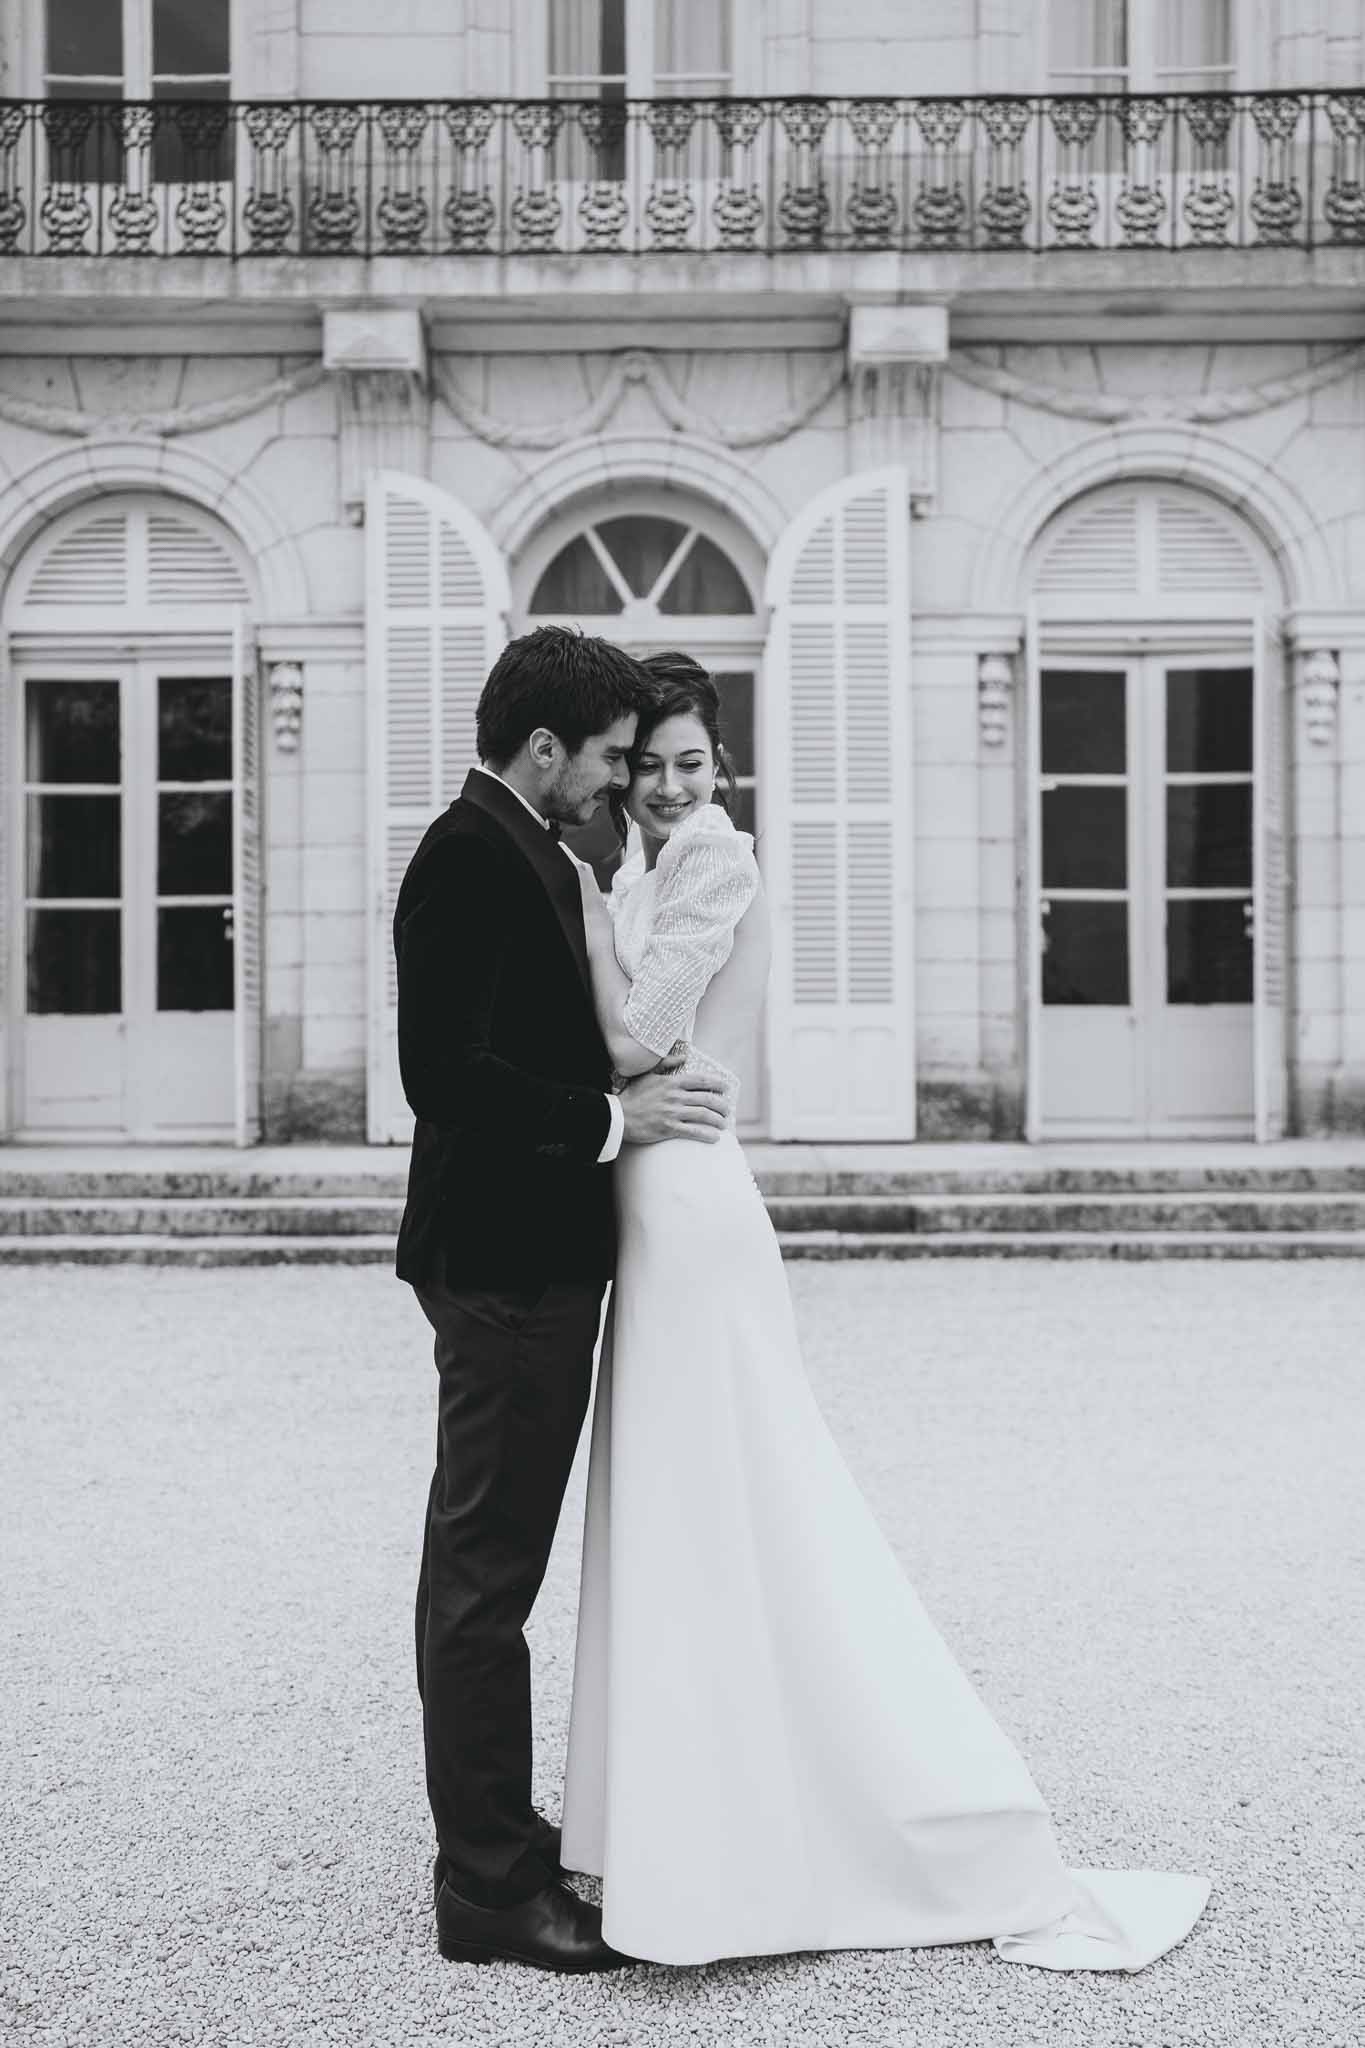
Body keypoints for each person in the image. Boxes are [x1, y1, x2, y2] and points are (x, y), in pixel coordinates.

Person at [559, 651, 1211, 1971]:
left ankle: (770, 1833)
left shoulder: (714, 863)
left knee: (731, 1506)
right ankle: (678, 1818)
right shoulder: (644, 864)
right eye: (652, 765)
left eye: (694, 763)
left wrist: (571, 914)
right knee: (685, 1512)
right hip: (651, 1196)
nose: (673, 786)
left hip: (687, 1205)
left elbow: (643, 1033)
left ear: (723, 766)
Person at [392, 627, 735, 1974]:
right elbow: (446, 1077)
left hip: (534, 1260)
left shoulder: (529, 845)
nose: (615, 779)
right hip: (503, 1267)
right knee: (484, 1577)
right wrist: (612, 1118)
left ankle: (500, 1842)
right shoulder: (465, 855)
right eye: (603, 755)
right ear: (546, 747)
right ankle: (484, 1888)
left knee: (492, 1569)